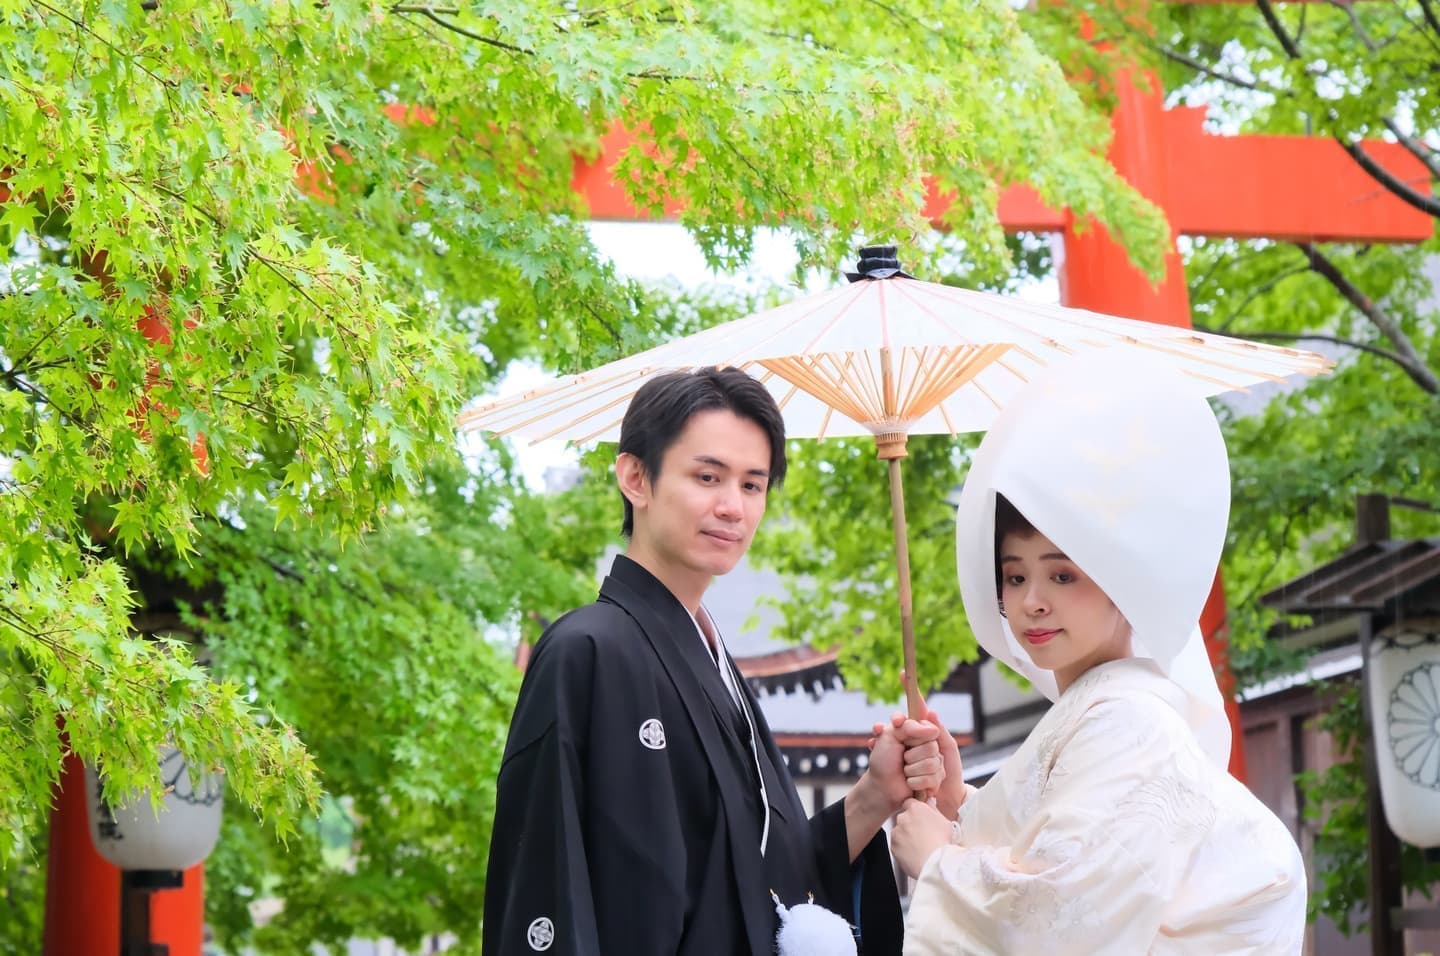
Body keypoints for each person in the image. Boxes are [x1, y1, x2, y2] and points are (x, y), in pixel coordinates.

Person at [483, 366, 941, 956]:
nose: (733, 507)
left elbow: (764, 886)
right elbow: (548, 886)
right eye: (708, 477)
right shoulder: (586, 652)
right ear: (635, 477)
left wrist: (873, 796)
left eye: (753, 485)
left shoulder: (718, 665)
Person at [888, 353, 1308, 955]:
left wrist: (936, 863)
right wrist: (959, 803)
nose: (1031, 601)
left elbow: (1066, 915)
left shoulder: (1129, 721)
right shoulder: (1104, 715)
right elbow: (1072, 850)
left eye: (1062, 577)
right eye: (1014, 577)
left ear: (1121, 580)